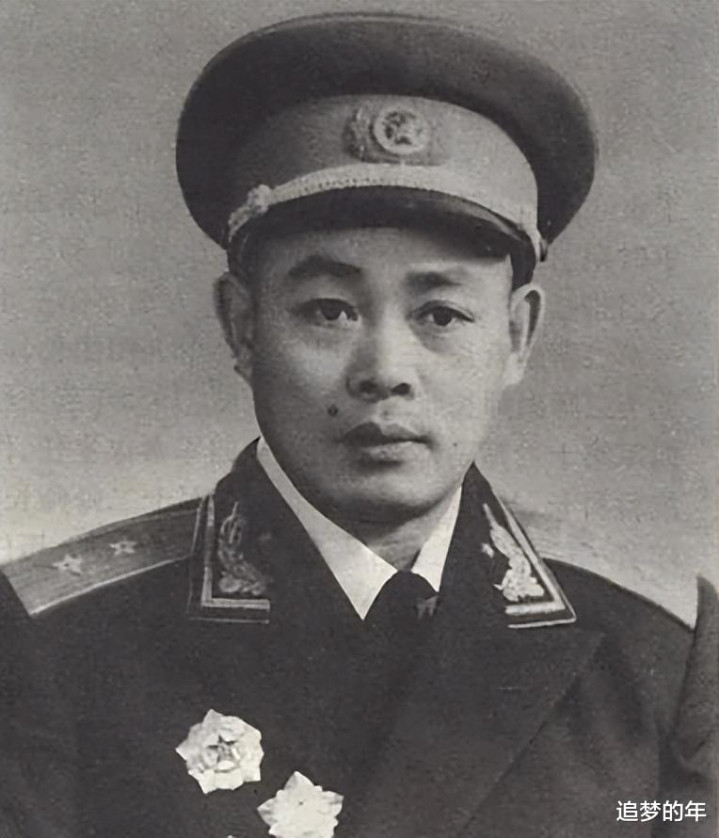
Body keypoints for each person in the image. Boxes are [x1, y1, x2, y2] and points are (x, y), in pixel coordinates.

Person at [1, 12, 717, 838]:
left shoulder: (658, 648)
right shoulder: (57, 643)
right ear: (243, 327)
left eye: (440, 314)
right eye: (328, 310)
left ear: (516, 336)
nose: (384, 370)